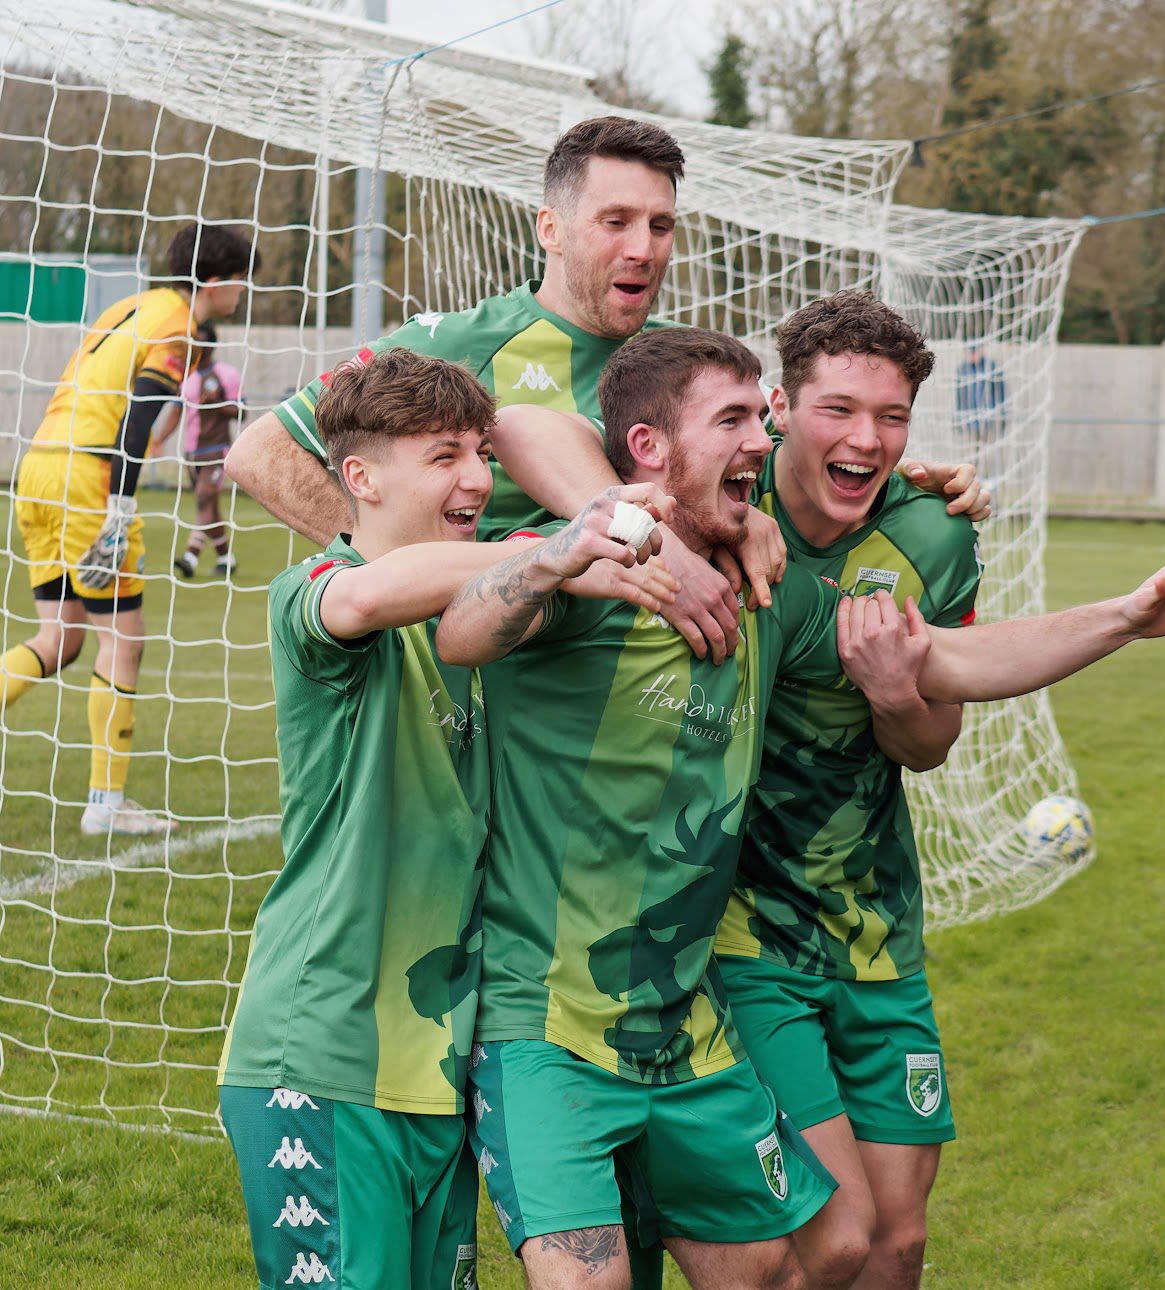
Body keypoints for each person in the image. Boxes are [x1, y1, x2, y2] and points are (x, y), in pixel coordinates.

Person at [432, 327, 1165, 1290]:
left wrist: (1123, 618)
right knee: (773, 1250)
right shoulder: (594, 564)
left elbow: (959, 663)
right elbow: (467, 620)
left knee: (826, 1256)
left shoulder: (783, 583)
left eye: (890, 416)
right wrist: (585, 550)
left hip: (760, 978)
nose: (765, 444)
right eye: (745, 421)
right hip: (600, 989)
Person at [216, 346, 673, 1290]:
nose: (476, 478)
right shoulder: (314, 595)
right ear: (360, 477)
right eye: (442, 456)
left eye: (479, 453)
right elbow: (372, 593)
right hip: (323, 1052)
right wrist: (552, 548)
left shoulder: (485, 620)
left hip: (434, 1070)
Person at [225, 114, 990, 665]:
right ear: (550, 229)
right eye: (615, 221)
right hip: (481, 686)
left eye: (660, 226)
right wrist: (405, 590)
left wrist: (911, 483)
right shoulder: (454, 346)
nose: (641, 248)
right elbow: (262, 455)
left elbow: (786, 464)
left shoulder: (680, 368)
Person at [711, 292, 982, 1289]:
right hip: (745, 934)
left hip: (876, 926)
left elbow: (929, 747)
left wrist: (893, 693)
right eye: (838, 410)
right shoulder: (720, 509)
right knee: (838, 1236)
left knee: (901, 1243)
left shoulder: (933, 543)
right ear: (780, 406)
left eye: (892, 417)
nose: (866, 439)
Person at [2, 222, 257, 835]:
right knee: (125, 642)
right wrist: (119, 505)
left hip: (38, 467)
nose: (245, 293)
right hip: (88, 479)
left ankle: (106, 802)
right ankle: (106, 805)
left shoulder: (129, 305)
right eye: (243, 281)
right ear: (217, 283)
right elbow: (137, 419)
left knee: (60, 640)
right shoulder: (178, 325)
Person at [150, 322, 243, 578]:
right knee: (209, 507)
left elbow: (240, 411)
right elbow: (176, 411)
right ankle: (226, 557)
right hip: (192, 453)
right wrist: (159, 440)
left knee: (204, 498)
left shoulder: (226, 374)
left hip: (218, 450)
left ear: (211, 346)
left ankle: (191, 555)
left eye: (200, 342)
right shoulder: (186, 378)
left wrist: (218, 404)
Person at [953, 342, 1006, 479]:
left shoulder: (991, 367)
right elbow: (959, 396)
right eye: (969, 352)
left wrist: (1001, 417)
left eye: (975, 351)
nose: (972, 355)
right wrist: (957, 418)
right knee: (970, 459)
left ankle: (989, 489)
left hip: (989, 422)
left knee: (989, 459)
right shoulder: (962, 369)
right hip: (970, 423)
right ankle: (968, 487)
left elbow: (1001, 394)